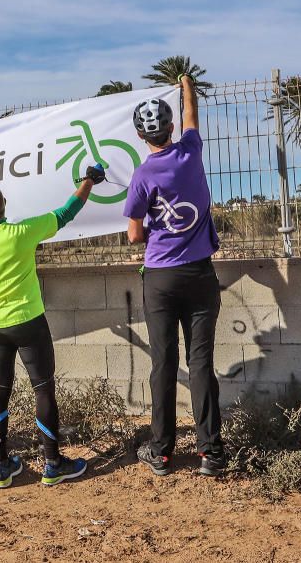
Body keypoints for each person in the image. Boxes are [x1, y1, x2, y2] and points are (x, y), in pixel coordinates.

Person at [0, 163, 106, 488]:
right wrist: (88, 181)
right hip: (29, 322)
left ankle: (1, 467)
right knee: (43, 389)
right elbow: (66, 212)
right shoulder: (23, 232)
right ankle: (52, 464)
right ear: (5, 207)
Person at [124, 74, 225, 477]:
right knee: (202, 364)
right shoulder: (191, 152)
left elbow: (134, 235)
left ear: (139, 134)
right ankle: (211, 453)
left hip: (161, 279)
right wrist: (185, 85)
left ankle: (162, 453)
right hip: (200, 274)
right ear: (171, 129)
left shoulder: (142, 176)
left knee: (163, 363)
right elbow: (192, 114)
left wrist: (157, 228)